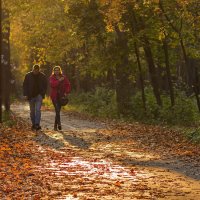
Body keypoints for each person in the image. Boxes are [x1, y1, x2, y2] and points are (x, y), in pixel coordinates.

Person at [23, 64, 47, 130]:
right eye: (34, 70)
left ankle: (37, 124)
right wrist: (25, 94)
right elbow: (25, 85)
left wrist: (42, 93)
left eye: (37, 70)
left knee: (38, 110)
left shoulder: (42, 76)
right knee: (32, 111)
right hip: (31, 96)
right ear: (32, 69)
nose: (36, 72)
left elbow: (45, 85)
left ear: (39, 70)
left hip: (39, 95)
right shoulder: (28, 75)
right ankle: (33, 124)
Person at [49, 66, 71, 131]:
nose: (56, 71)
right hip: (54, 96)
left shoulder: (64, 77)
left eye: (58, 70)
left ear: (60, 70)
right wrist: (59, 80)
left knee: (58, 111)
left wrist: (66, 92)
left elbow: (68, 84)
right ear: (53, 71)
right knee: (57, 110)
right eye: (55, 70)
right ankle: (59, 124)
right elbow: (52, 85)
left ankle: (55, 126)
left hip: (61, 96)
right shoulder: (51, 77)